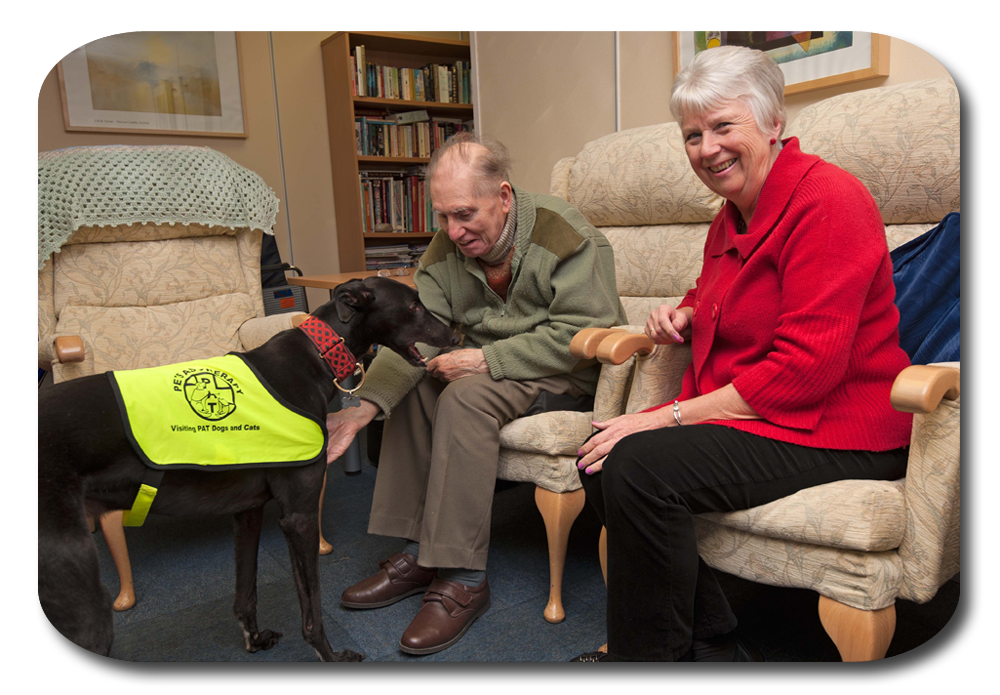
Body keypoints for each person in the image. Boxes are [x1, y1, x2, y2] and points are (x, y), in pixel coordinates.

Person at [572, 46, 913, 662]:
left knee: (638, 464)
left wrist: (663, 417)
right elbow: (728, 294)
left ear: (773, 123)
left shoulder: (829, 200)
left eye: (724, 127)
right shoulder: (730, 215)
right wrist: (686, 311)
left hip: (840, 425)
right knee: (598, 457)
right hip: (769, 411)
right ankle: (707, 639)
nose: (707, 149)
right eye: (693, 135)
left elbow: (806, 367)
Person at [327, 133, 627, 655]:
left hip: (564, 373)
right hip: (489, 369)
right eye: (443, 216)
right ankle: (421, 551)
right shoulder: (448, 247)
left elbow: (584, 333)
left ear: (504, 197)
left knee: (464, 396)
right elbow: (417, 334)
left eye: (465, 214)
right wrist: (365, 406)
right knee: (421, 382)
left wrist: (487, 359)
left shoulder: (568, 236)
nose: (452, 231)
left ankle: (464, 580)